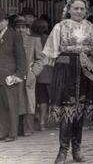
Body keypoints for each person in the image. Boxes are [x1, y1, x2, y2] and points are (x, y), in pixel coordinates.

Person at [31, 0, 93, 164]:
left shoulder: (91, 28)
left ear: (86, 11)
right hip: (65, 70)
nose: (79, 11)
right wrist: (35, 70)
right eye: (75, 8)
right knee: (67, 111)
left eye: (82, 9)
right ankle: (63, 151)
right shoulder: (59, 27)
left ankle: (77, 149)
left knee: (79, 111)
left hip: (85, 71)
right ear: (69, 10)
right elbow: (49, 51)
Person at [0, 9, 27, 142]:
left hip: (10, 76)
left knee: (12, 105)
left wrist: (19, 75)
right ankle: (2, 132)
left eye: (0, 20)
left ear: (6, 21)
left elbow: (21, 57)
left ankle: (12, 133)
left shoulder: (14, 35)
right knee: (1, 106)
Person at [14, 16, 42, 137]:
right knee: (15, 101)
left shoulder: (34, 40)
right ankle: (16, 129)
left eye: (23, 27)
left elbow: (41, 59)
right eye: (18, 27)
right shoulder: (10, 40)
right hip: (13, 75)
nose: (21, 30)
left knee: (29, 101)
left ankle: (28, 128)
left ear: (27, 28)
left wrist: (33, 72)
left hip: (28, 76)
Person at [30, 18, 53, 131]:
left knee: (37, 98)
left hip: (34, 71)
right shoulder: (49, 38)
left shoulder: (31, 39)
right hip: (48, 71)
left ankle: (35, 118)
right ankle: (43, 123)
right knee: (46, 99)